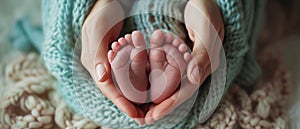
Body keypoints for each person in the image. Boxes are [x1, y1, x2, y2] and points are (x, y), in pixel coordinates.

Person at [43, 0, 262, 128]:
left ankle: (153, 75)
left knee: (182, 41)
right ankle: (149, 73)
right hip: (125, 17)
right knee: (162, 45)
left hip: (181, 12)